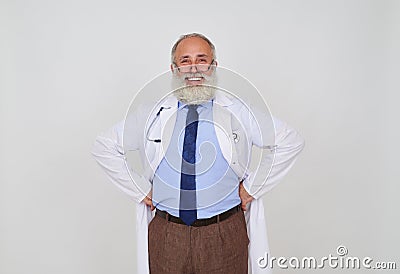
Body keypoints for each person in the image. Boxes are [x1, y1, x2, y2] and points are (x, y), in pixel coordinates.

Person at [92, 33, 305, 274]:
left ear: (213, 66)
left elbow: (290, 140)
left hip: (224, 232)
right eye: (185, 60)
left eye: (202, 59)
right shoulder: (152, 114)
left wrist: (252, 188)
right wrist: (140, 190)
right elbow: (104, 146)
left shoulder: (239, 111)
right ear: (174, 69)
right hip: (167, 234)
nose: (194, 68)